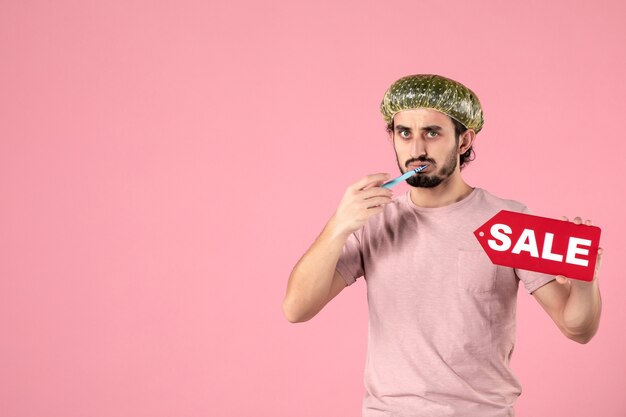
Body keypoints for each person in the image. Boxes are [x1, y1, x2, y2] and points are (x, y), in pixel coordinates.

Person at [281, 74, 603, 417]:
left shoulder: (509, 221)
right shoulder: (375, 221)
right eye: (405, 133)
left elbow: (577, 329)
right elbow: (296, 309)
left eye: (432, 133)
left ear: (464, 140)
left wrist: (585, 283)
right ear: (392, 136)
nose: (417, 149)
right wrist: (338, 225)